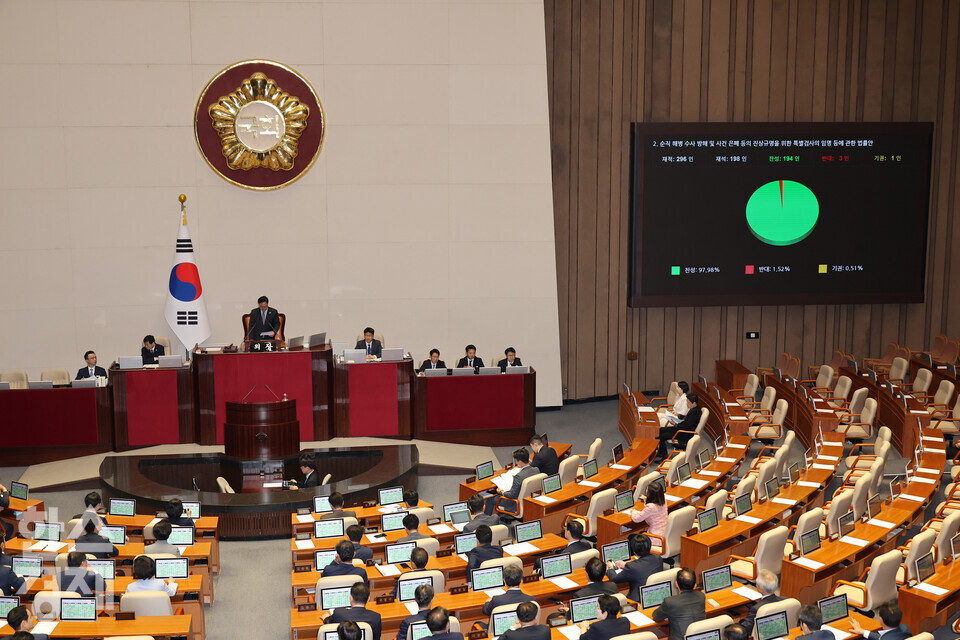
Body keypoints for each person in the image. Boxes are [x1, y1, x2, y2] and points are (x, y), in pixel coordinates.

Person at [651, 568, 705, 640]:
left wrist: (669, 614)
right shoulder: (701, 596)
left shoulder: (670, 601)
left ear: (676, 584)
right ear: (695, 586)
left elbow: (656, 617)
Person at [605, 533, 662, 601]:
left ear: (634, 551)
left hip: (638, 600)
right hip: (656, 595)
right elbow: (643, 567)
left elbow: (614, 579)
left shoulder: (632, 567)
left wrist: (610, 567)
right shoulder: (658, 558)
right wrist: (625, 564)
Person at [484, 448, 540, 516]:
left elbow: (511, 495)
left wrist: (501, 492)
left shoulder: (519, 476)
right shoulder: (536, 470)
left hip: (515, 503)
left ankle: (486, 522)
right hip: (529, 500)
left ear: (519, 461)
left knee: (490, 500)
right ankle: (505, 517)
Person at [656, 394, 702, 460]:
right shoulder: (695, 409)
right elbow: (687, 419)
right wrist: (679, 416)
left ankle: (664, 455)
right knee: (660, 430)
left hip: (684, 433)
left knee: (660, 436)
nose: (687, 404)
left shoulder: (695, 413)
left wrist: (675, 424)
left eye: (688, 402)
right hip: (681, 428)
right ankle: (661, 451)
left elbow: (687, 427)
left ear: (694, 403)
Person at [740, 570, 785, 635]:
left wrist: (740, 622)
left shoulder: (757, 608)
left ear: (760, 588)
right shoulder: (785, 600)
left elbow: (746, 629)